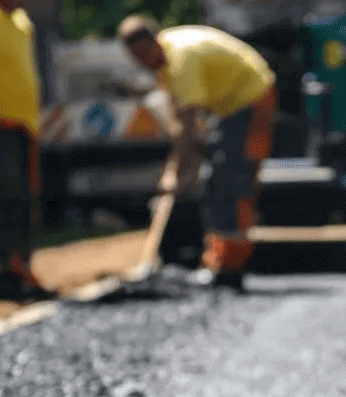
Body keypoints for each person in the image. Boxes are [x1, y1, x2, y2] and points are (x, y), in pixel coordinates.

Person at [118, 16, 277, 285]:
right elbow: (179, 116)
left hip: (251, 101)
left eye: (143, 54)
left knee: (231, 181)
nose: (141, 62)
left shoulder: (182, 60)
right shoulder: (167, 57)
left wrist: (177, 173)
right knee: (216, 179)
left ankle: (230, 266)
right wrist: (181, 165)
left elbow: (188, 125)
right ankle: (219, 261)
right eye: (135, 57)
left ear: (153, 42)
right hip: (230, 108)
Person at [0, 0, 53, 301]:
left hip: (25, 125)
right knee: (2, 196)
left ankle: (20, 266)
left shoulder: (24, 22)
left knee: (25, 199)